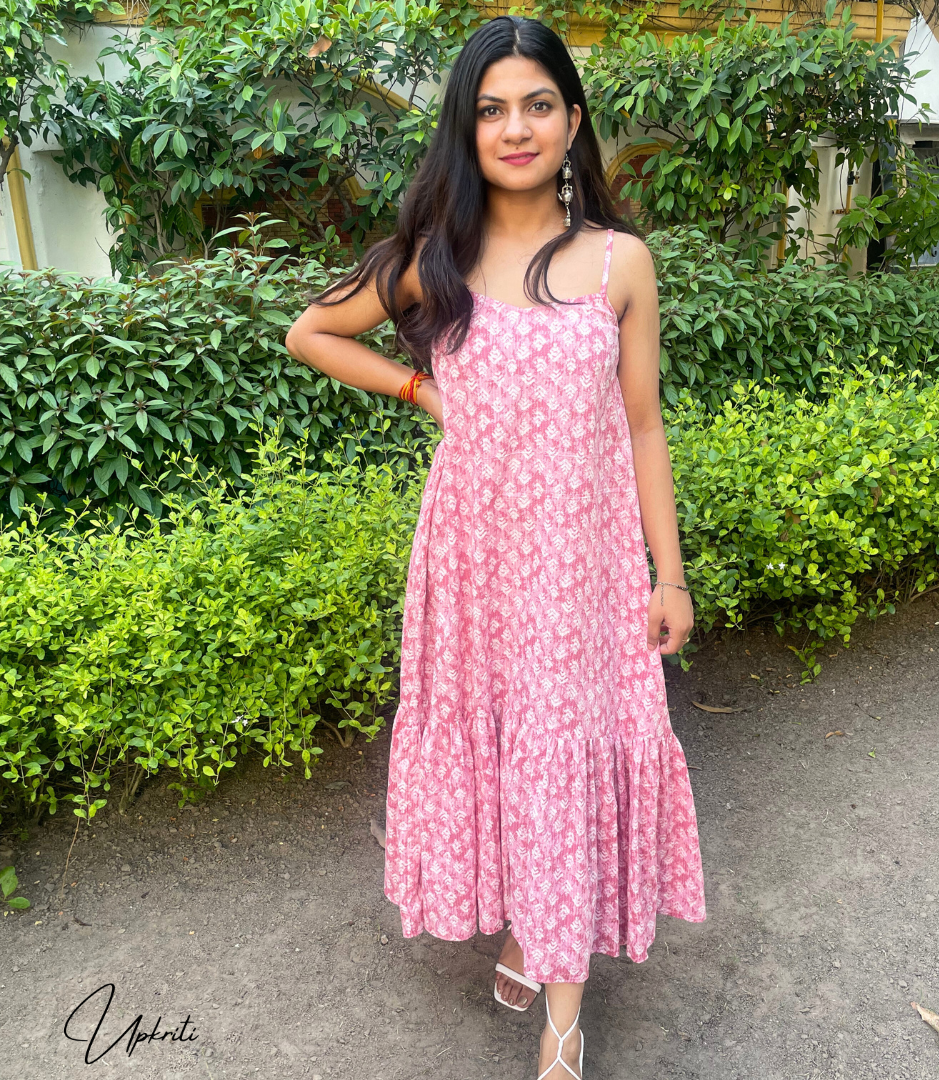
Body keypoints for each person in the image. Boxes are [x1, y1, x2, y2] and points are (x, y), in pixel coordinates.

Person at [284, 15, 706, 1078]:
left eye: (537, 104)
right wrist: (422, 388)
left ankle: (565, 1014)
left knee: (561, 751)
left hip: (586, 562)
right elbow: (312, 332)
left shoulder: (620, 262)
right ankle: (529, 919)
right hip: (473, 558)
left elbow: (644, 421)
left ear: (572, 120)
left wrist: (670, 571)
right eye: (490, 109)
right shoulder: (441, 260)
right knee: (508, 745)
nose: (515, 128)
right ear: (465, 129)